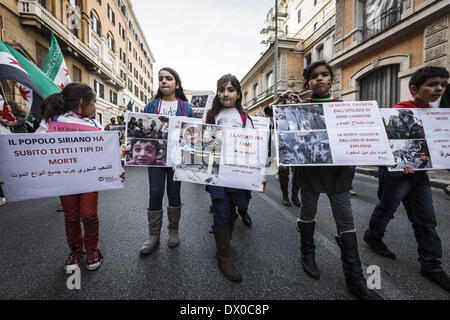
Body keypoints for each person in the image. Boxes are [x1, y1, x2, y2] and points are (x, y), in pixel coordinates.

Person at [293, 61, 382, 299]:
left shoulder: (344, 107)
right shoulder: (299, 108)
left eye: (324, 75)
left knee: (345, 220)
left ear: (331, 79)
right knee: (308, 212)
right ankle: (307, 254)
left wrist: (381, 153)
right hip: (310, 173)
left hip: (338, 174)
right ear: (308, 82)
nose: (319, 79)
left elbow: (359, 137)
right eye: (314, 76)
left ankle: (355, 278)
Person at [363, 66, 450, 293]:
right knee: (386, 209)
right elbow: (386, 141)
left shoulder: (437, 113)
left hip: (419, 175)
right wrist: (399, 161)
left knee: (426, 219)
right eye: (432, 84)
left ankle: (431, 265)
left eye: (442, 84)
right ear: (414, 89)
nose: (439, 88)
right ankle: (373, 236)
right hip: (396, 175)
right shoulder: (400, 110)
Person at [35, 82, 125, 271]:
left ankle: (92, 250)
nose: (95, 108)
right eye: (93, 103)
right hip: (65, 179)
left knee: (89, 215)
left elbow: (104, 152)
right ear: (83, 102)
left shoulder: (94, 123)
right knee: (71, 216)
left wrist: (116, 168)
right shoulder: (53, 121)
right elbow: (34, 148)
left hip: (90, 178)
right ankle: (76, 250)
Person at [205, 74, 265, 282]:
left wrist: (260, 175)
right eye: (221, 90)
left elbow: (254, 147)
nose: (225, 94)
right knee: (221, 210)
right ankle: (223, 255)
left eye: (230, 90)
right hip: (216, 173)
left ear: (238, 94)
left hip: (238, 173)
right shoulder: (211, 115)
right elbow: (200, 143)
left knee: (233, 210)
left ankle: (225, 241)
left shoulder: (244, 118)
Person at [139, 67, 193, 255]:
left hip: (176, 160)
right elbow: (142, 129)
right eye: (161, 78)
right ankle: (153, 235)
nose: (164, 81)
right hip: (155, 158)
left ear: (176, 84)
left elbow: (191, 134)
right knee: (155, 192)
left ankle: (173, 230)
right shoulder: (151, 106)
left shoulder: (186, 107)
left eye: (168, 78)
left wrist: (183, 157)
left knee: (174, 192)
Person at [266, 91, 302, 207]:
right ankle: (285, 196)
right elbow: (267, 110)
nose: (291, 101)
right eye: (288, 99)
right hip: (282, 148)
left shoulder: (300, 112)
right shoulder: (278, 111)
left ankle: (295, 196)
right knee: (283, 174)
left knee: (297, 175)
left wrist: (299, 100)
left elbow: (310, 109)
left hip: (298, 147)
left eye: (293, 99)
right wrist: (278, 100)